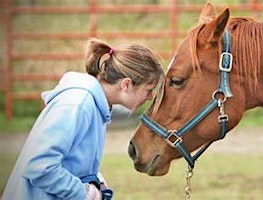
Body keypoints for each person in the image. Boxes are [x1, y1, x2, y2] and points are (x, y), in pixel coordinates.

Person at [1, 38, 164, 199]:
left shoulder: (98, 106)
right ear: (126, 85)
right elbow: (39, 165)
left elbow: (70, 159)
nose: (150, 97)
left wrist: (94, 179)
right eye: (148, 89)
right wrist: (84, 192)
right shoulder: (78, 104)